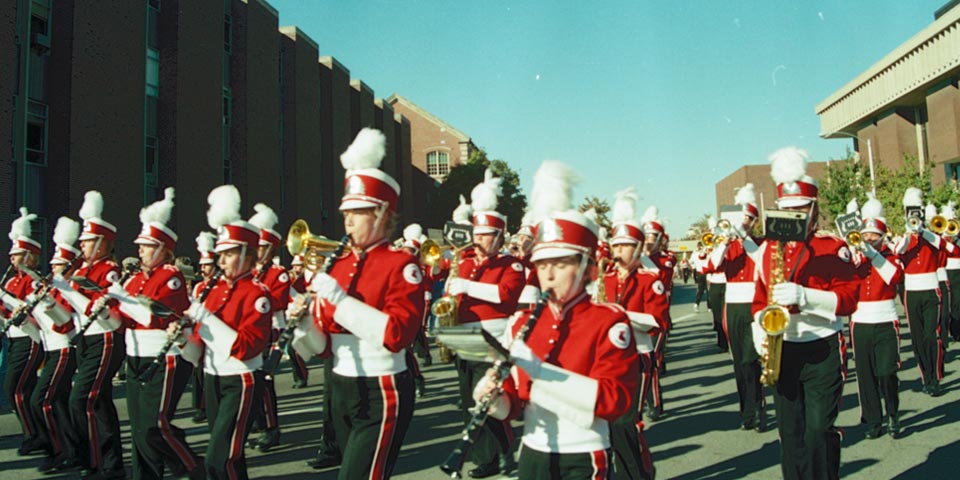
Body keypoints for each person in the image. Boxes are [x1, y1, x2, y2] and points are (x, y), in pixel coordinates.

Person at [474, 160, 638, 480]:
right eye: (542, 264)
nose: (547, 274)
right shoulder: (521, 323)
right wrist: (494, 400)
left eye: (560, 264)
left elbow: (613, 401)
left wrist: (537, 371)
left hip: (583, 453)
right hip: (534, 452)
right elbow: (517, 406)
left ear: (587, 267)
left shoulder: (609, 321)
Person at [295, 128, 424, 479]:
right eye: (346, 212)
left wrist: (338, 300)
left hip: (380, 382)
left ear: (382, 214)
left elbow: (397, 334)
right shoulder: (336, 264)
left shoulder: (402, 265)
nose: (347, 220)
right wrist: (302, 321)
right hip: (340, 383)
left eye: (359, 212)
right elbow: (322, 347)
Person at [752, 147, 859, 480]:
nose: (793, 216)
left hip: (822, 346)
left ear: (814, 211)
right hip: (783, 347)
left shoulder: (832, 247)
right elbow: (758, 302)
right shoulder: (767, 250)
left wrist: (806, 297)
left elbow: (849, 299)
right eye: (787, 209)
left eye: (800, 210)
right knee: (791, 438)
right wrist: (761, 332)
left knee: (817, 433)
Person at [101, 187, 202, 479]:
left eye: (146, 246)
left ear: (162, 248)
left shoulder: (171, 277)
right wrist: (106, 310)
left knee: (153, 425)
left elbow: (152, 316)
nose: (140, 250)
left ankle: (194, 468)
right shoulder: (133, 280)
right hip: (135, 355)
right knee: (137, 428)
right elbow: (121, 323)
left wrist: (122, 299)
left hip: (165, 356)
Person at [177, 184, 272, 479]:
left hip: (241, 378)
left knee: (220, 456)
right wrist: (182, 338)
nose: (220, 261)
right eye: (221, 254)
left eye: (228, 254)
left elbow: (247, 347)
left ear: (246, 254)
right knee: (231, 456)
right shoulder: (212, 290)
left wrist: (206, 319)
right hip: (212, 375)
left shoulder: (258, 294)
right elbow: (198, 351)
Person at [446, 168, 525, 478]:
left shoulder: (511, 264)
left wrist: (468, 287)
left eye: (485, 236)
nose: (478, 241)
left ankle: (503, 454)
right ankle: (487, 457)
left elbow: (506, 295)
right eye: (476, 235)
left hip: (493, 339)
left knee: (489, 399)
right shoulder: (463, 262)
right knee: (469, 401)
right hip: (463, 338)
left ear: (499, 237)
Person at [53, 191, 127, 479]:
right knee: (99, 402)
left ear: (102, 243)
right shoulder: (82, 269)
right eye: (82, 241)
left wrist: (70, 290)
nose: (81, 246)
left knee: (82, 398)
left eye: (87, 241)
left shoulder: (109, 270)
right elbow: (67, 316)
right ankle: (108, 462)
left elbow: (99, 310)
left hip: (104, 337)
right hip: (86, 337)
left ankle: (95, 459)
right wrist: (51, 301)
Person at [605, 187, 659, 480]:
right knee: (612, 424)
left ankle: (638, 474)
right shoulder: (605, 278)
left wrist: (619, 314)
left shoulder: (651, 280)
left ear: (638, 248)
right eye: (616, 245)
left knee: (628, 423)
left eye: (625, 245)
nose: (618, 251)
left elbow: (657, 321)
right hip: (608, 360)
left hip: (637, 356)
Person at [705, 184, 766, 431]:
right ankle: (747, 412)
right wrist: (725, 242)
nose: (745, 223)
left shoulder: (759, 242)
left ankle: (760, 408)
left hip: (754, 302)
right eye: (742, 219)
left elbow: (762, 261)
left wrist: (743, 236)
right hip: (732, 305)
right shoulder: (728, 244)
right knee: (740, 362)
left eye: (750, 219)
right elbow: (711, 265)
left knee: (753, 359)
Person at [28, 217, 82, 471]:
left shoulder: (70, 288)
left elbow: (66, 323)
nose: (53, 268)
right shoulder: (54, 288)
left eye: (58, 265)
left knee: (43, 399)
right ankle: (71, 449)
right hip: (50, 347)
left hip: (64, 346)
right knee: (57, 402)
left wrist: (48, 304)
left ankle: (58, 449)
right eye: (53, 264)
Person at [850, 194, 904, 439]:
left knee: (886, 371)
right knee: (866, 375)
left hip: (885, 320)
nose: (869, 238)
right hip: (860, 321)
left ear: (883, 237)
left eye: (874, 235)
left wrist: (874, 255)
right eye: (866, 235)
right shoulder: (855, 258)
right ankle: (874, 420)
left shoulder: (891, 258)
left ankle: (892, 412)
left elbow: (894, 278)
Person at [2, 208, 45, 460]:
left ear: (29, 256)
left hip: (30, 338)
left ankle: (34, 434)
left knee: (14, 389)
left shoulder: (34, 280)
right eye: (11, 255)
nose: (12, 260)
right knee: (23, 390)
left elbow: (28, 308)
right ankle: (35, 431)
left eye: (17, 255)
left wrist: (4, 298)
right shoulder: (11, 280)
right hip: (14, 338)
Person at [247, 203, 290, 452]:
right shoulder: (252, 272)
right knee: (252, 380)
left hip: (271, 329)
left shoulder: (278, 273)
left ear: (271, 247)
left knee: (265, 381)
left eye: (262, 247)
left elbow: (278, 302)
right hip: (253, 329)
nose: (258, 251)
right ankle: (259, 424)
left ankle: (272, 428)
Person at [895, 188, 945, 396]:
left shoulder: (931, 235)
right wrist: (910, 232)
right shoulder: (905, 238)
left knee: (931, 335)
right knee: (917, 338)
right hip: (912, 290)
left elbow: (941, 245)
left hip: (931, 288)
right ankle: (926, 377)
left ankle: (935, 376)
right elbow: (899, 251)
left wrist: (922, 230)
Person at [189, 231, 218, 424]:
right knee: (197, 371)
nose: (204, 269)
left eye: (207, 265)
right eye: (202, 266)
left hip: (214, 332)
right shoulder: (199, 286)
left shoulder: (218, 285)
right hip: (199, 330)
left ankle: (212, 406)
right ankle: (200, 407)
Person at [701, 216, 729, 353]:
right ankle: (721, 340)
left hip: (727, 281)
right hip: (715, 282)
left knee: (726, 313)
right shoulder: (710, 248)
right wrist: (706, 251)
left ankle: (729, 339)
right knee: (717, 314)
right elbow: (704, 266)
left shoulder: (724, 245)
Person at [287, 254, 310, 388]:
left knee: (293, 348)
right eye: (295, 266)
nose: (296, 269)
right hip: (292, 316)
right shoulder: (291, 278)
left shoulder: (308, 279)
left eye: (300, 266)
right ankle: (298, 376)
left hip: (306, 316)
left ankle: (301, 376)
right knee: (291, 349)